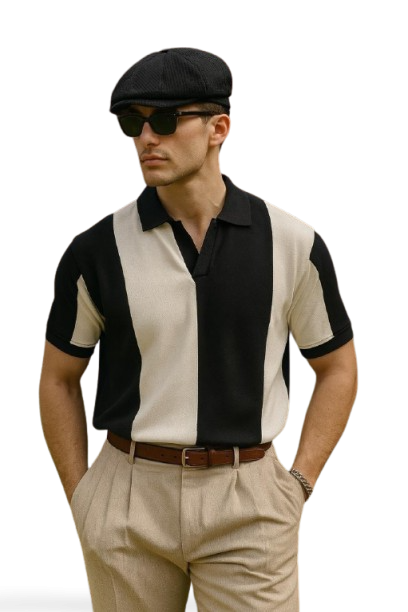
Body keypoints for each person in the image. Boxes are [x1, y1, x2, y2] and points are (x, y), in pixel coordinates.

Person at [39, 47, 358, 611]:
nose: (145, 138)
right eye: (131, 123)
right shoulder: (95, 251)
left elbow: (337, 367)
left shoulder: (293, 243)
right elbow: (58, 378)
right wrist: (83, 497)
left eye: (164, 120)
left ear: (220, 129)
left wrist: (299, 484)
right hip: (128, 495)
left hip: (248, 498)